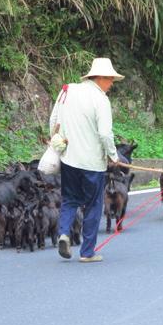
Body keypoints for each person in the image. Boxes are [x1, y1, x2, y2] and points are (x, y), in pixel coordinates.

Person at [49, 57, 123, 262]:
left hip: (69, 158)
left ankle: (64, 233)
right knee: (93, 204)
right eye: (110, 80)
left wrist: (57, 143)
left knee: (70, 199)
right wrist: (113, 156)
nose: (111, 85)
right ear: (100, 78)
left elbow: (53, 120)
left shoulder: (68, 90)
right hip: (92, 163)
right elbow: (105, 134)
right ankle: (87, 252)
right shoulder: (101, 100)